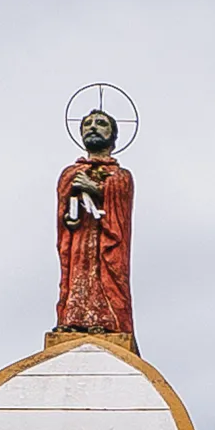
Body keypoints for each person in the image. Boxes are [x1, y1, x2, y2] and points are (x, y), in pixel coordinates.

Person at [53, 106, 134, 340]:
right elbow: (65, 213)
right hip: (79, 241)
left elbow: (120, 208)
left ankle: (109, 320)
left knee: (109, 276)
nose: (93, 128)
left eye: (101, 124)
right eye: (87, 124)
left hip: (107, 240)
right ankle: (73, 319)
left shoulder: (120, 176)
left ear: (113, 137)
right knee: (77, 275)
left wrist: (95, 188)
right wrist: (69, 214)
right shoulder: (71, 173)